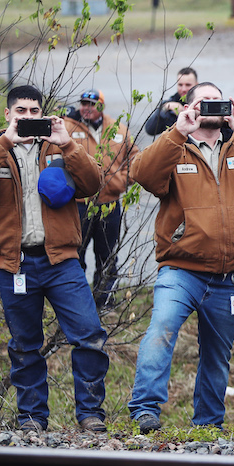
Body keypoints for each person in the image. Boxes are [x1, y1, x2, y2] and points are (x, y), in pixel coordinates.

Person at [128, 81, 234, 433]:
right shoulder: (175, 146)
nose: (211, 106)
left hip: (232, 276)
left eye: (217, 100)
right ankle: (145, 410)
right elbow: (142, 174)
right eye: (203, 101)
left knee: (218, 353)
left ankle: (207, 424)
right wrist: (177, 132)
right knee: (161, 330)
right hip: (181, 270)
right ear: (189, 107)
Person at [0, 85, 110, 433]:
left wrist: (68, 144)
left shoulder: (59, 146)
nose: (27, 117)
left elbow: (93, 183)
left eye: (34, 111)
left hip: (61, 262)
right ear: (8, 114)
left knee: (89, 335)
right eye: (21, 111)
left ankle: (90, 414)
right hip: (15, 265)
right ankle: (32, 418)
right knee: (25, 346)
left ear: (43, 113)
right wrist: (4, 142)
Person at [65, 88, 140, 309]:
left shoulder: (119, 129)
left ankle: (104, 300)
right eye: (83, 104)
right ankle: (77, 302)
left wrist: (120, 182)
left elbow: (135, 160)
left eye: (92, 104)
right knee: (75, 255)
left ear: (101, 106)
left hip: (110, 204)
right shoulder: (68, 128)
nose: (87, 108)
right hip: (78, 205)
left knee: (106, 256)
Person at [144, 67, 198, 136]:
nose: (183, 89)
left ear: (196, 85)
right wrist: (164, 108)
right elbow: (150, 130)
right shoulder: (169, 104)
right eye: (180, 85)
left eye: (188, 85)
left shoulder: (202, 105)